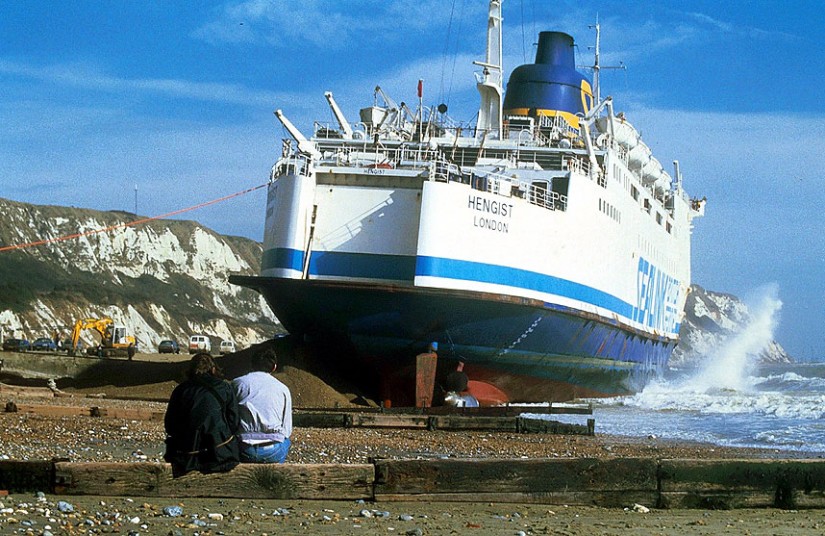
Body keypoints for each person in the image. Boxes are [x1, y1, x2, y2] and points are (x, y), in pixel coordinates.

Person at [164, 353, 240, 478]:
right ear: (214, 369)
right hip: (219, 453)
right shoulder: (224, 387)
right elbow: (234, 421)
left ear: (191, 370)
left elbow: (170, 426)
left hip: (187, 453)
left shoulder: (181, 389)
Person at [232, 350, 293, 463]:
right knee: (286, 442)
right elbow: (287, 429)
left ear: (252, 365)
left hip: (244, 448)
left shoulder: (238, 383)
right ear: (274, 367)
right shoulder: (283, 389)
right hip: (273, 450)